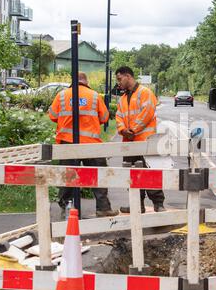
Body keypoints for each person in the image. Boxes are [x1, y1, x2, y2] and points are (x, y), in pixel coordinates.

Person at [48, 72, 119, 219]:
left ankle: (65, 206)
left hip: (67, 143)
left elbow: (53, 116)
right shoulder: (94, 95)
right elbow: (105, 117)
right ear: (86, 82)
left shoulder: (62, 95)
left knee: (68, 176)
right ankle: (103, 208)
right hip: (90, 144)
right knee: (98, 174)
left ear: (73, 81)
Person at [115, 66, 166, 214]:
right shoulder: (123, 98)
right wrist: (123, 130)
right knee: (132, 175)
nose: (118, 83)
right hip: (130, 144)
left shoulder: (145, 92)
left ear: (128, 76)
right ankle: (137, 205)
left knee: (150, 174)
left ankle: (158, 204)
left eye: (120, 79)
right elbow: (119, 117)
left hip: (145, 142)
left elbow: (148, 112)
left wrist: (133, 130)